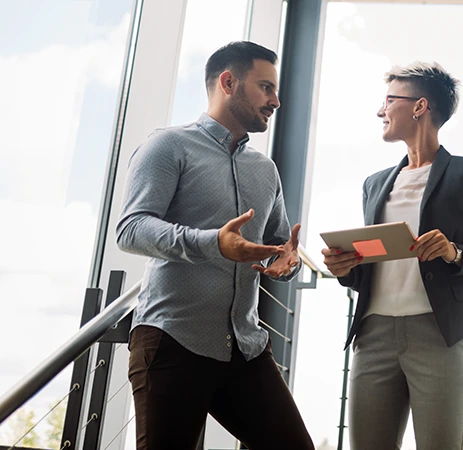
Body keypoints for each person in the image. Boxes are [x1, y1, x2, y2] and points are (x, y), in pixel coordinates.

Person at [116, 41, 314, 450]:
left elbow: (278, 244)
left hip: (245, 346)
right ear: (228, 82)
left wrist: (288, 260)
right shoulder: (168, 146)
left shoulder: (265, 169)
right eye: (265, 87)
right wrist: (214, 244)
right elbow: (131, 229)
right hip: (173, 340)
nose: (276, 100)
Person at [321, 62, 463, 450]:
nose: (380, 110)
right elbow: (370, 270)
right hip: (373, 336)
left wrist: (453, 251)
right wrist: (344, 269)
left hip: (439, 335)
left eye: (389, 100)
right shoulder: (374, 185)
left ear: (420, 106)